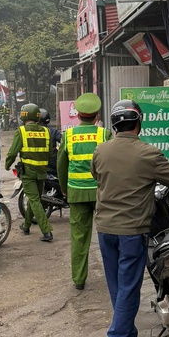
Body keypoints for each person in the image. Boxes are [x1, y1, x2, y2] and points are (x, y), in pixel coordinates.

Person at [91, 100, 169, 337]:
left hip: (105, 228)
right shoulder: (148, 153)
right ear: (139, 123)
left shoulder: (101, 151)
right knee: (129, 286)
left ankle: (126, 334)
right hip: (132, 229)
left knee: (117, 285)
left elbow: (98, 176)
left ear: (115, 125)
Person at [57, 93, 112, 290]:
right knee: (109, 234)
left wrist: (64, 189)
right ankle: (113, 276)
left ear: (78, 115)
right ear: (96, 116)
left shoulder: (68, 136)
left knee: (79, 237)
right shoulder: (104, 134)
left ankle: (79, 279)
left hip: (77, 193)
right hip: (102, 193)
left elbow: (61, 165)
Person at [4, 103, 53, 242]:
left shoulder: (21, 131)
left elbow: (13, 152)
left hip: (28, 173)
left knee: (34, 200)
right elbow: (49, 153)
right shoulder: (46, 131)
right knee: (34, 199)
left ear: (24, 116)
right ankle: (26, 225)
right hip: (42, 171)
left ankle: (46, 230)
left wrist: (7, 164)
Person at [38, 109, 61, 177]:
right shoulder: (53, 131)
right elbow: (63, 141)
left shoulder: (31, 133)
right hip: (52, 164)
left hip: (36, 165)